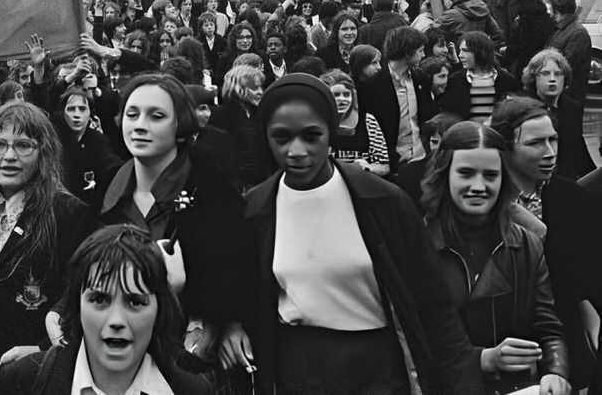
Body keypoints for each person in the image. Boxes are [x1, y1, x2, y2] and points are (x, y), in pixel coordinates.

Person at [238, 74, 483, 395]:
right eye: (281, 137)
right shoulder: (254, 210)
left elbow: (433, 303)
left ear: (331, 131)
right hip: (297, 368)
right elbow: (242, 294)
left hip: (377, 367)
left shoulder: (384, 201)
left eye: (311, 136)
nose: (296, 150)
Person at [98, 73, 252, 379]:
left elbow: (241, 269)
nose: (140, 125)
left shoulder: (213, 188)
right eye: (132, 113)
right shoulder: (107, 189)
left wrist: (227, 321)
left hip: (193, 357)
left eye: (156, 116)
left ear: (180, 124)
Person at [419, 122, 570, 395]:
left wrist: (556, 373)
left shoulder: (527, 245)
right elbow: (413, 341)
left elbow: (548, 327)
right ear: (445, 174)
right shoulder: (418, 246)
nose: (479, 186)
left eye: (490, 175)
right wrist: (482, 359)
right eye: (466, 173)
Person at [0, 103, 95, 394]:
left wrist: (42, 350)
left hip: (38, 377)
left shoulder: (68, 214)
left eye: (23, 145)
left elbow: (90, 296)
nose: (9, 156)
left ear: (43, 152)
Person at [0, 225, 210, 395]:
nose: (116, 320)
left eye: (135, 302)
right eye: (99, 299)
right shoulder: (22, 381)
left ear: (159, 310)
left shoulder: (190, 389)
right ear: (76, 306)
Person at [493, 96, 602, 389]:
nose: (550, 152)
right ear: (505, 147)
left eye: (553, 140)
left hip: (564, 336)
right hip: (501, 342)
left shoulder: (573, 198)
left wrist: (588, 313)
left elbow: (586, 277)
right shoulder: (484, 201)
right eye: (536, 143)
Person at [358, 26, 436, 175]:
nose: (424, 55)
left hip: (421, 157)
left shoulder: (421, 79)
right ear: (408, 53)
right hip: (393, 163)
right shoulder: (372, 86)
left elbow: (427, 115)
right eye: (420, 50)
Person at [522, 48, 595, 180]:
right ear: (533, 78)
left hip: (566, 180)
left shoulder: (572, 107)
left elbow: (577, 146)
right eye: (545, 73)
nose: (552, 79)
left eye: (558, 74)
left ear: (565, 79)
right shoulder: (523, 108)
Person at [208, 64, 270, 190]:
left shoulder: (263, 115)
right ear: (237, 87)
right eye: (254, 87)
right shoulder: (218, 117)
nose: (260, 92)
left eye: (260, 87)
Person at [439, 31, 519, 124]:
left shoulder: (507, 80)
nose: (460, 55)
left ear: (481, 52)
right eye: (460, 50)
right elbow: (448, 114)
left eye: (465, 51)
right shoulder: (454, 81)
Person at [320, 70, 389, 176]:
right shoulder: (318, 122)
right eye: (336, 95)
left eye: (347, 94)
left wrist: (367, 168)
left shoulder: (368, 121)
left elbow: (384, 166)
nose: (342, 99)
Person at [546, 0, 593, 105]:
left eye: (551, 9)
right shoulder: (561, 29)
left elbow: (567, 65)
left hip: (569, 96)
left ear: (558, 10)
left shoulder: (578, 33)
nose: (550, 14)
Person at [504, 0, 557, 82]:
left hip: (528, 69)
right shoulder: (548, 19)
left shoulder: (525, 21)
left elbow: (524, 49)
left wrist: (507, 50)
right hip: (546, 66)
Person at [437, 0, 505, 49]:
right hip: (481, 56)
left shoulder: (451, 15)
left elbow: (431, 34)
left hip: (459, 55)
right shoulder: (484, 10)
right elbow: (498, 35)